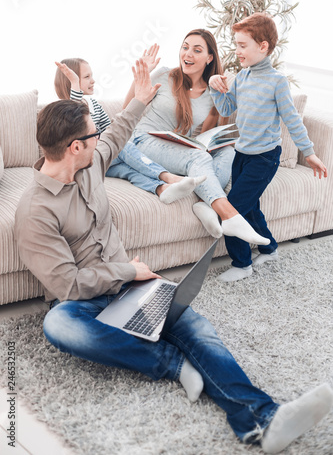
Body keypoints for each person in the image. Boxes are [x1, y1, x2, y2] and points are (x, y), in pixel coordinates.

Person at [14, 59, 332, 454]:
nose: (99, 139)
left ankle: (263, 419)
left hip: (133, 284)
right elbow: (67, 285)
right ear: (74, 147)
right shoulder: (35, 212)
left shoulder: (90, 161)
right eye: (92, 135)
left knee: (195, 329)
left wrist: (141, 99)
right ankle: (170, 363)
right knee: (59, 325)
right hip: (88, 300)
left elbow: (117, 135)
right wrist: (128, 269)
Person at [208, 12, 328, 282]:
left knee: (233, 209)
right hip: (242, 154)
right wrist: (216, 87)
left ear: (263, 47)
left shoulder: (277, 82)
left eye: (242, 45)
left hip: (264, 158)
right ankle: (269, 247)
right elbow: (227, 108)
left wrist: (309, 153)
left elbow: (292, 120)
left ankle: (241, 264)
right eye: (236, 44)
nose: (237, 51)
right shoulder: (242, 77)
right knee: (250, 208)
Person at [128, 29, 270, 245]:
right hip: (143, 140)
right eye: (185, 47)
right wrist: (141, 78)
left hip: (175, 149)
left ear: (209, 57)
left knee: (227, 152)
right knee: (199, 159)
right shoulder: (165, 75)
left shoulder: (213, 92)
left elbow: (205, 136)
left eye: (196, 50)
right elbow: (127, 110)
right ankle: (229, 215)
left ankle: (206, 203)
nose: (188, 54)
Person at [54, 48, 206, 205]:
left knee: (130, 171)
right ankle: (167, 176)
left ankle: (162, 189)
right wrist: (74, 83)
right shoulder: (66, 108)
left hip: (107, 160)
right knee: (124, 146)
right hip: (91, 158)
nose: (93, 80)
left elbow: (113, 129)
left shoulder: (94, 104)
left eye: (91, 76)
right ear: (71, 82)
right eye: (86, 77)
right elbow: (76, 111)